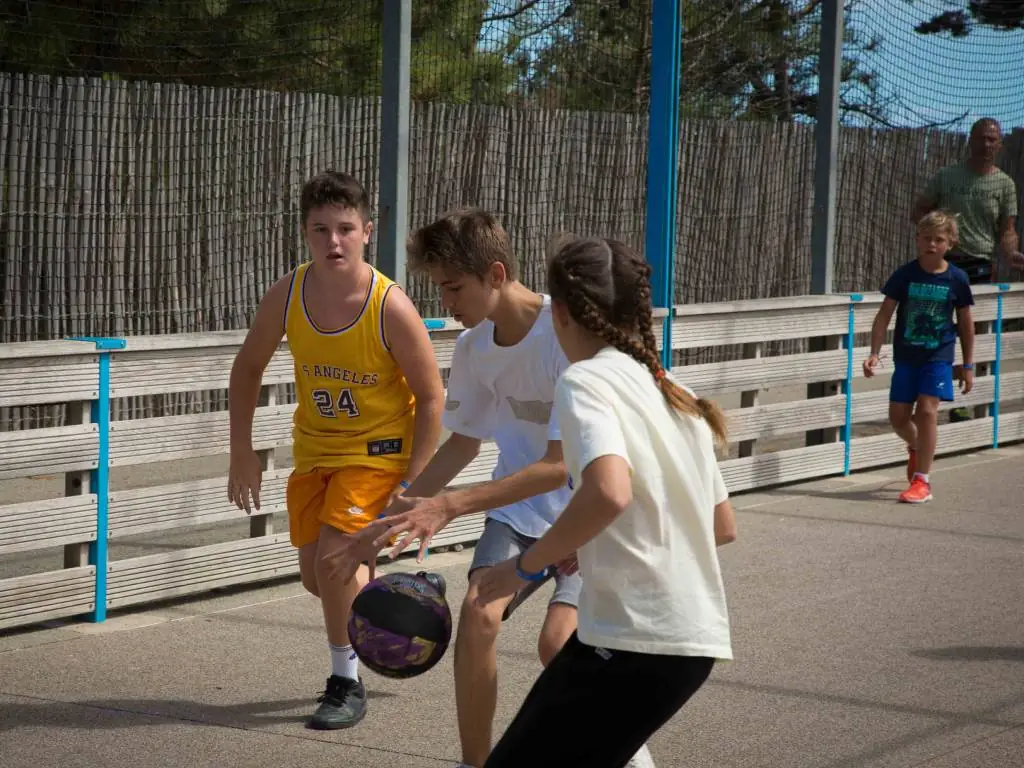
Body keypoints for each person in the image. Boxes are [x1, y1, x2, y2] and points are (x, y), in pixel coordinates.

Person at [321, 211, 655, 768]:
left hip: (586, 511)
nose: (445, 301)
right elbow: (462, 444)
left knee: (558, 644)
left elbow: (559, 466)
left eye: (453, 286)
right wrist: (383, 524)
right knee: (477, 614)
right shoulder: (474, 348)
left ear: (495, 273)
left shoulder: (567, 330)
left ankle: (630, 753)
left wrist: (448, 507)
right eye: (439, 287)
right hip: (516, 512)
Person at [470, 235, 736, 768]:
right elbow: (721, 525)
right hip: (689, 642)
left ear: (561, 312)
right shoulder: (668, 387)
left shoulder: (586, 380)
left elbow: (608, 491)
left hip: (635, 642)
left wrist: (525, 566)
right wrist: (590, 541)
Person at [226, 170, 445, 730]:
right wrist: (241, 451)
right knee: (317, 578)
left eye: (346, 228)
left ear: (367, 231)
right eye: (320, 229)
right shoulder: (288, 293)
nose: (333, 241)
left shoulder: (388, 305)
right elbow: (248, 367)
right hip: (316, 452)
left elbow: (432, 395)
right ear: (305, 233)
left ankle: (344, 683)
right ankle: (406, 594)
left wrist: (414, 490)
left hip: (378, 452)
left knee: (332, 564)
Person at [912, 117, 1022, 422]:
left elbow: (1008, 229)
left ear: (999, 145)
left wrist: (1011, 251)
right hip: (947, 264)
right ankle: (934, 398)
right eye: (981, 138)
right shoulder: (948, 176)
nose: (986, 144)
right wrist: (931, 238)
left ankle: (974, 397)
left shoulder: (1004, 184)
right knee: (936, 331)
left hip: (981, 266)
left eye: (992, 139)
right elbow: (920, 208)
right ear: (970, 140)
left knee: (973, 333)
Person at [864, 210, 975, 504]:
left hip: (938, 356)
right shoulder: (905, 274)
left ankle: (922, 481)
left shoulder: (957, 279)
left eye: (939, 239)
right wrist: (874, 353)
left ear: (951, 242)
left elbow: (966, 324)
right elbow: (883, 315)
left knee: (927, 411)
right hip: (906, 357)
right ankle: (916, 447)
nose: (932, 244)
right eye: (926, 238)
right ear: (917, 240)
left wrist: (968, 365)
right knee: (899, 419)